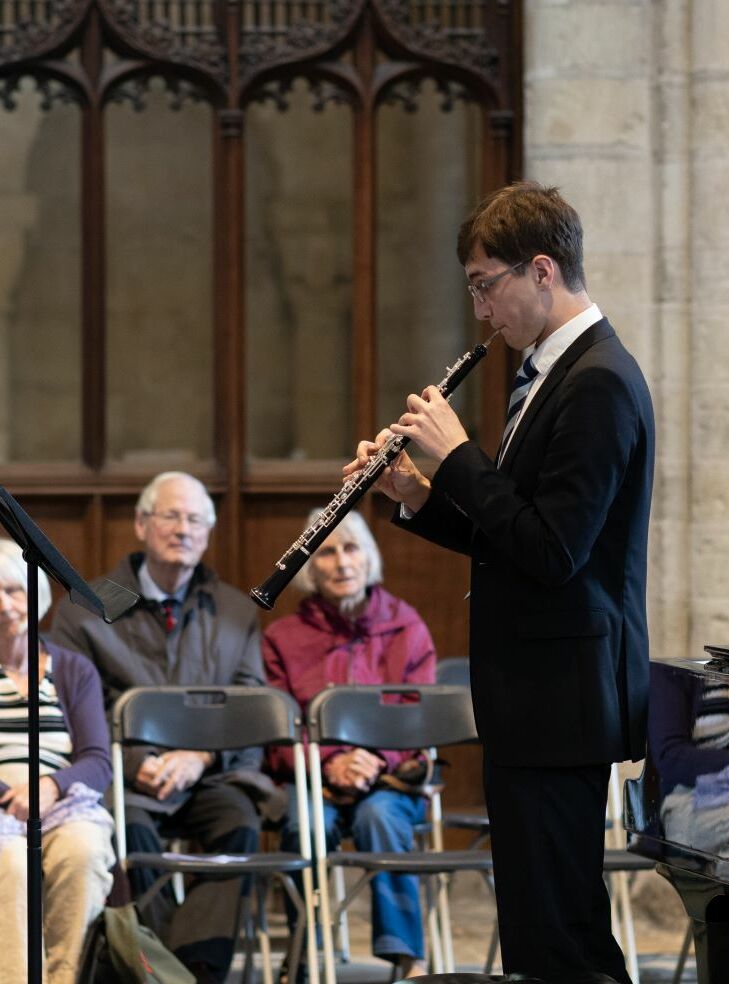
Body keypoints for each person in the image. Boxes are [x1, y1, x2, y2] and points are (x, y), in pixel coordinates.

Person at [346, 181, 655, 984]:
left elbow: (553, 550)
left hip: (564, 699)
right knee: (541, 932)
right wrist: (417, 497)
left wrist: (457, 459)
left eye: (486, 286)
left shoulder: (597, 382)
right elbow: (510, 536)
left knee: (561, 939)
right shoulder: (553, 374)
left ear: (542, 270)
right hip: (537, 699)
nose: (482, 313)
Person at [50, 471, 265, 984]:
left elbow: (251, 706)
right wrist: (134, 763)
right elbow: (74, 706)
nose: (183, 529)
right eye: (171, 515)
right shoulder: (87, 609)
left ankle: (195, 971)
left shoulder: (235, 611)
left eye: (195, 519)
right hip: (125, 781)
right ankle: (154, 967)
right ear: (142, 524)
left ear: (209, 533)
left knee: (241, 822)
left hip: (210, 776)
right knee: (130, 829)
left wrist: (202, 758)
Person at [262, 509, 436, 981]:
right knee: (305, 822)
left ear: (369, 558)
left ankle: (407, 958)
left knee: (380, 816)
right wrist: (331, 763)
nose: (341, 562)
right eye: (327, 551)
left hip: (390, 779)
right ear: (309, 567)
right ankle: (306, 952)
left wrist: (374, 760)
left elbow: (418, 715)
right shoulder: (282, 638)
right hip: (313, 778)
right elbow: (278, 727)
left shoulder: (407, 626)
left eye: (351, 548)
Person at [0, 538, 115, 984]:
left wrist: (50, 786)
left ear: (36, 596)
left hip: (62, 802)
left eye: (14, 590)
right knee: (9, 863)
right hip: (4, 805)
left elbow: (97, 760)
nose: (5, 603)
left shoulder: (72, 669)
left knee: (82, 851)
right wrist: (13, 796)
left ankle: (65, 978)